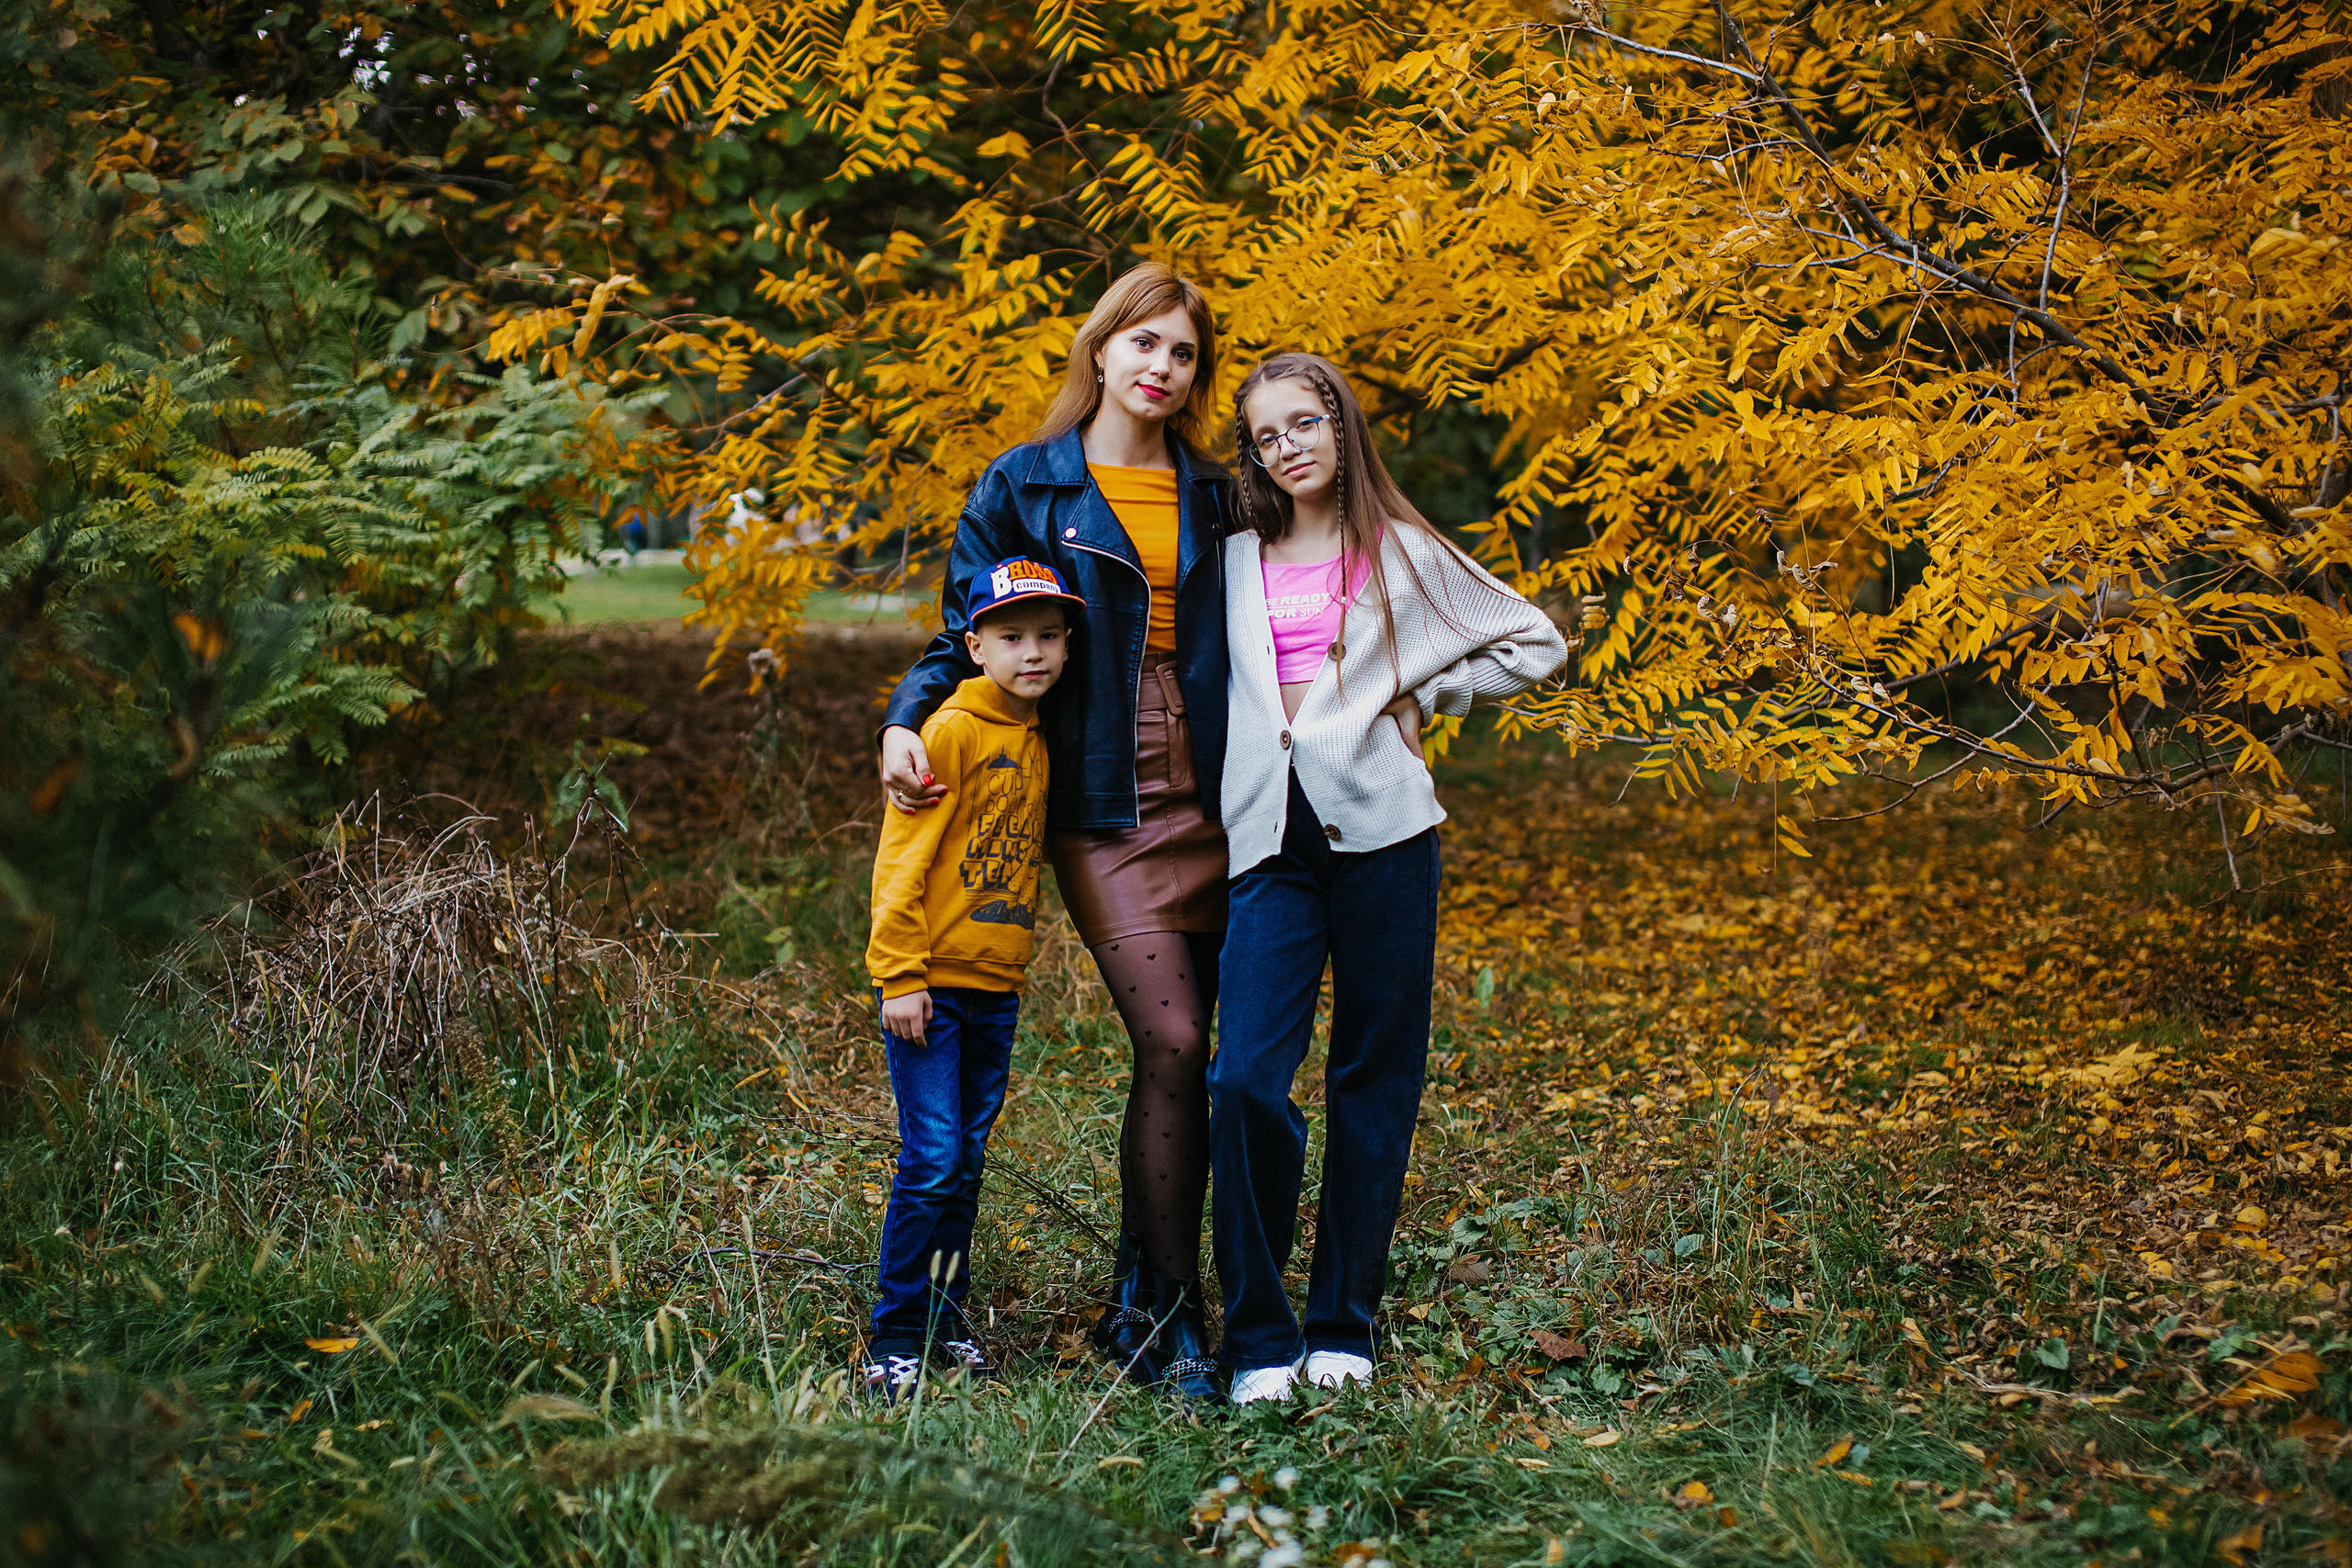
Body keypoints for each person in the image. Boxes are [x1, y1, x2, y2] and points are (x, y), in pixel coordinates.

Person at [876, 263, 1232, 1403]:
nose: (1161, 367)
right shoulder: (1026, 483)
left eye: (1182, 352)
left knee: (1207, 1060)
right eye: (1144, 343)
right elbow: (961, 632)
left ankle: (1148, 1300)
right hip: (1101, 789)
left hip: (1227, 787)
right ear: (1100, 348)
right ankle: (1167, 1309)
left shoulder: (1220, 491)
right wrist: (902, 721)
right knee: (1172, 1039)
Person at [1211, 353, 1570, 1404]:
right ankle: (1259, 1339)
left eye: (1304, 422)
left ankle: (1341, 1329)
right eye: (1266, 436)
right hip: (1266, 843)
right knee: (1243, 1081)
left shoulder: (1400, 552)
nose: (1287, 446)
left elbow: (1535, 644)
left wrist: (1428, 693)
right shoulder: (1232, 560)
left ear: (1340, 424)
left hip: (1385, 839)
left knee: (1373, 1078)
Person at [859, 558, 1084, 1402]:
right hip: (931, 987)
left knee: (967, 1161)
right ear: (975, 646)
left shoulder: (1037, 734)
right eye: (1012, 637)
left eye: (1049, 636)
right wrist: (900, 974)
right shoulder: (949, 730)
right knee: (933, 1158)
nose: (1034, 652)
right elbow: (901, 858)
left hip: (996, 988)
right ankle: (894, 1336)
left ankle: (947, 1318)